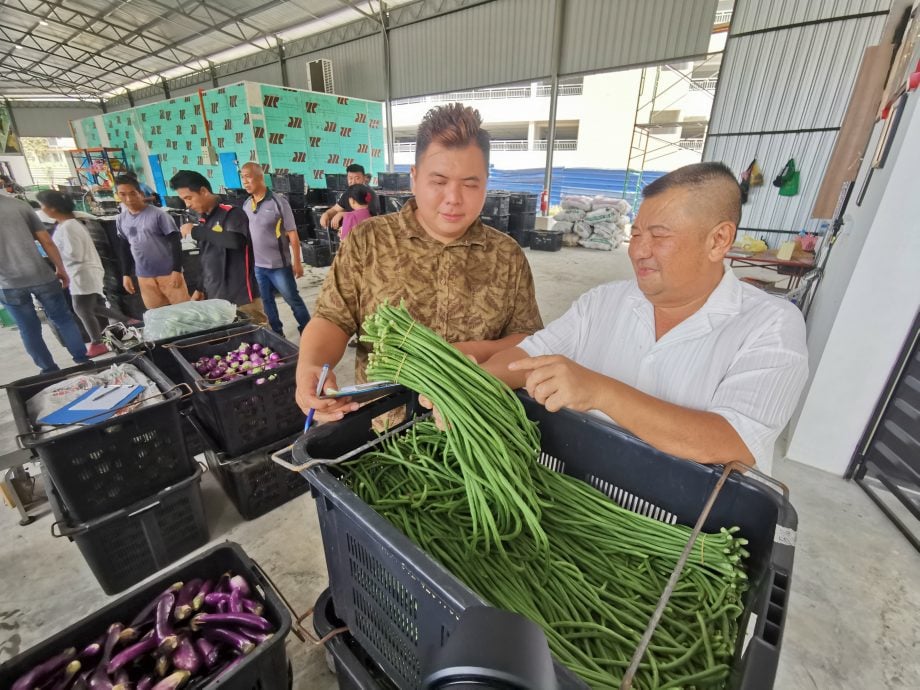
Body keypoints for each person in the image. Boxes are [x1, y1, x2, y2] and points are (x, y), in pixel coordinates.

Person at [479, 163, 808, 474]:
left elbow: (732, 441)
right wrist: (464, 386)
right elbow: (528, 356)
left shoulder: (771, 325)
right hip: (579, 491)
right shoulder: (602, 302)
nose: (638, 251)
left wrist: (598, 391)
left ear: (718, 240)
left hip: (683, 519)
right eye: (636, 235)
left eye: (659, 236)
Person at [295, 103, 543, 421]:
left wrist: (469, 355)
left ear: (486, 182)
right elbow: (333, 317)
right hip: (383, 431)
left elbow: (529, 337)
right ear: (413, 178)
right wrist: (311, 365)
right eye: (438, 181)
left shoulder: (506, 256)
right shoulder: (369, 241)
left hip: (474, 427)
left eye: (470, 184)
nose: (453, 197)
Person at [37, 190, 139, 358]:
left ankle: (97, 343)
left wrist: (56, 256)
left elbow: (75, 253)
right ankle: (126, 320)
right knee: (90, 307)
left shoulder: (70, 226)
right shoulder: (67, 225)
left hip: (82, 273)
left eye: (43, 206)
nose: (42, 210)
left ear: (52, 208)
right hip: (81, 272)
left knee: (82, 308)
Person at [0, 194, 90, 373]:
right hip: (41, 275)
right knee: (63, 320)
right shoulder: (20, 206)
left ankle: (49, 370)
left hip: (8, 283)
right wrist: (60, 268)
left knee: (28, 328)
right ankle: (82, 360)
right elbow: (46, 241)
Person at [169, 170, 267, 324]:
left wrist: (195, 231)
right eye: (184, 200)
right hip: (216, 298)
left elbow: (236, 241)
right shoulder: (204, 220)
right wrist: (200, 289)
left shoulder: (232, 213)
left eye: (189, 198)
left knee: (259, 342)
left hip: (242, 299)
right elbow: (205, 258)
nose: (188, 204)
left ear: (203, 191)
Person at [240, 162, 310, 336]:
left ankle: (307, 330)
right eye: (242, 177)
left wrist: (297, 262)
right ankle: (278, 333)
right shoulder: (247, 205)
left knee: (292, 299)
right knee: (267, 301)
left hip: (279, 265)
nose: (245, 182)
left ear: (260, 177)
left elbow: (293, 235)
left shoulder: (278, 203)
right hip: (258, 266)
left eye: (248, 177)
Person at [115, 175, 190, 309]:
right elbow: (124, 247)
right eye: (123, 194)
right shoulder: (121, 219)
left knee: (184, 312)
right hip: (144, 276)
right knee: (157, 315)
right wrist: (126, 274)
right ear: (118, 196)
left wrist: (177, 270)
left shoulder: (158, 215)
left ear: (141, 193)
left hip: (169, 274)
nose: (128, 199)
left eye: (133, 193)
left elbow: (175, 242)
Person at [319, 163, 378, 230]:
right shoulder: (348, 193)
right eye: (350, 178)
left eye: (357, 178)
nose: (353, 181)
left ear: (364, 178)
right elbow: (335, 209)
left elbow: (368, 216)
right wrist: (326, 214)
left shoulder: (369, 193)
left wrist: (344, 214)